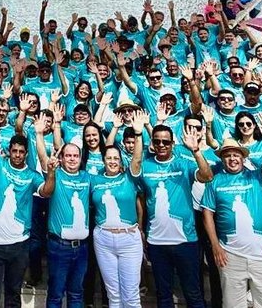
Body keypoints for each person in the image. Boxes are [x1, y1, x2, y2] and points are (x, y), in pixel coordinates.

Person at [130, 112, 215, 308]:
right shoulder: (146, 165)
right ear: (152, 143)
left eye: (165, 142)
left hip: (186, 240)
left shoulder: (183, 163)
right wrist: (137, 134)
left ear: (172, 144)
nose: (161, 145)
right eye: (157, 142)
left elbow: (207, 175)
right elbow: (134, 170)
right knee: (163, 295)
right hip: (157, 242)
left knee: (193, 294)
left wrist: (195, 151)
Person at [201, 114, 262, 308]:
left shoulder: (257, 177)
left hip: (260, 253)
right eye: (227, 155)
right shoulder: (215, 181)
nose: (232, 159)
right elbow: (207, 214)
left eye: (236, 155)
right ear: (222, 159)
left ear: (242, 157)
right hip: (229, 254)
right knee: (232, 304)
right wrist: (215, 246)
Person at [0, 99, 44, 308]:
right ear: (9, 150)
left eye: (21, 152)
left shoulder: (32, 175)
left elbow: (47, 191)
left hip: (19, 245)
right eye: (14, 151)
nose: (17, 155)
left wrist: (51, 171)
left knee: (13, 296)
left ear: (26, 153)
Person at [35, 121, 92, 308]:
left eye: (76, 155)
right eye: (68, 155)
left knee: (77, 295)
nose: (72, 159)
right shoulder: (55, 175)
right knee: (55, 294)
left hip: (82, 247)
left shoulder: (88, 177)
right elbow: (46, 189)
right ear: (62, 158)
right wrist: (39, 134)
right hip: (59, 246)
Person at [90, 143, 143, 308]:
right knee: (113, 295)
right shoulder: (94, 180)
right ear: (103, 160)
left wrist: (138, 134)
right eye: (109, 158)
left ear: (121, 161)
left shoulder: (129, 177)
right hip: (103, 239)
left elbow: (137, 159)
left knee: (131, 296)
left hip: (129, 239)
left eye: (116, 158)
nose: (112, 161)